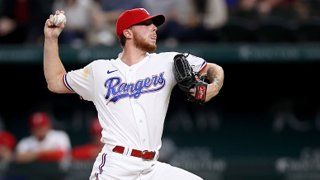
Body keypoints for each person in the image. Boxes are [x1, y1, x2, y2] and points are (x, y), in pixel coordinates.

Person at [43, 8, 224, 180]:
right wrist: (51, 39)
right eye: (146, 24)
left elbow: (213, 68)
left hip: (151, 167)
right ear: (127, 32)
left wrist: (214, 86)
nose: (154, 28)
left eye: (154, 25)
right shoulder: (99, 70)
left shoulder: (167, 62)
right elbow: (55, 82)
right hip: (116, 166)